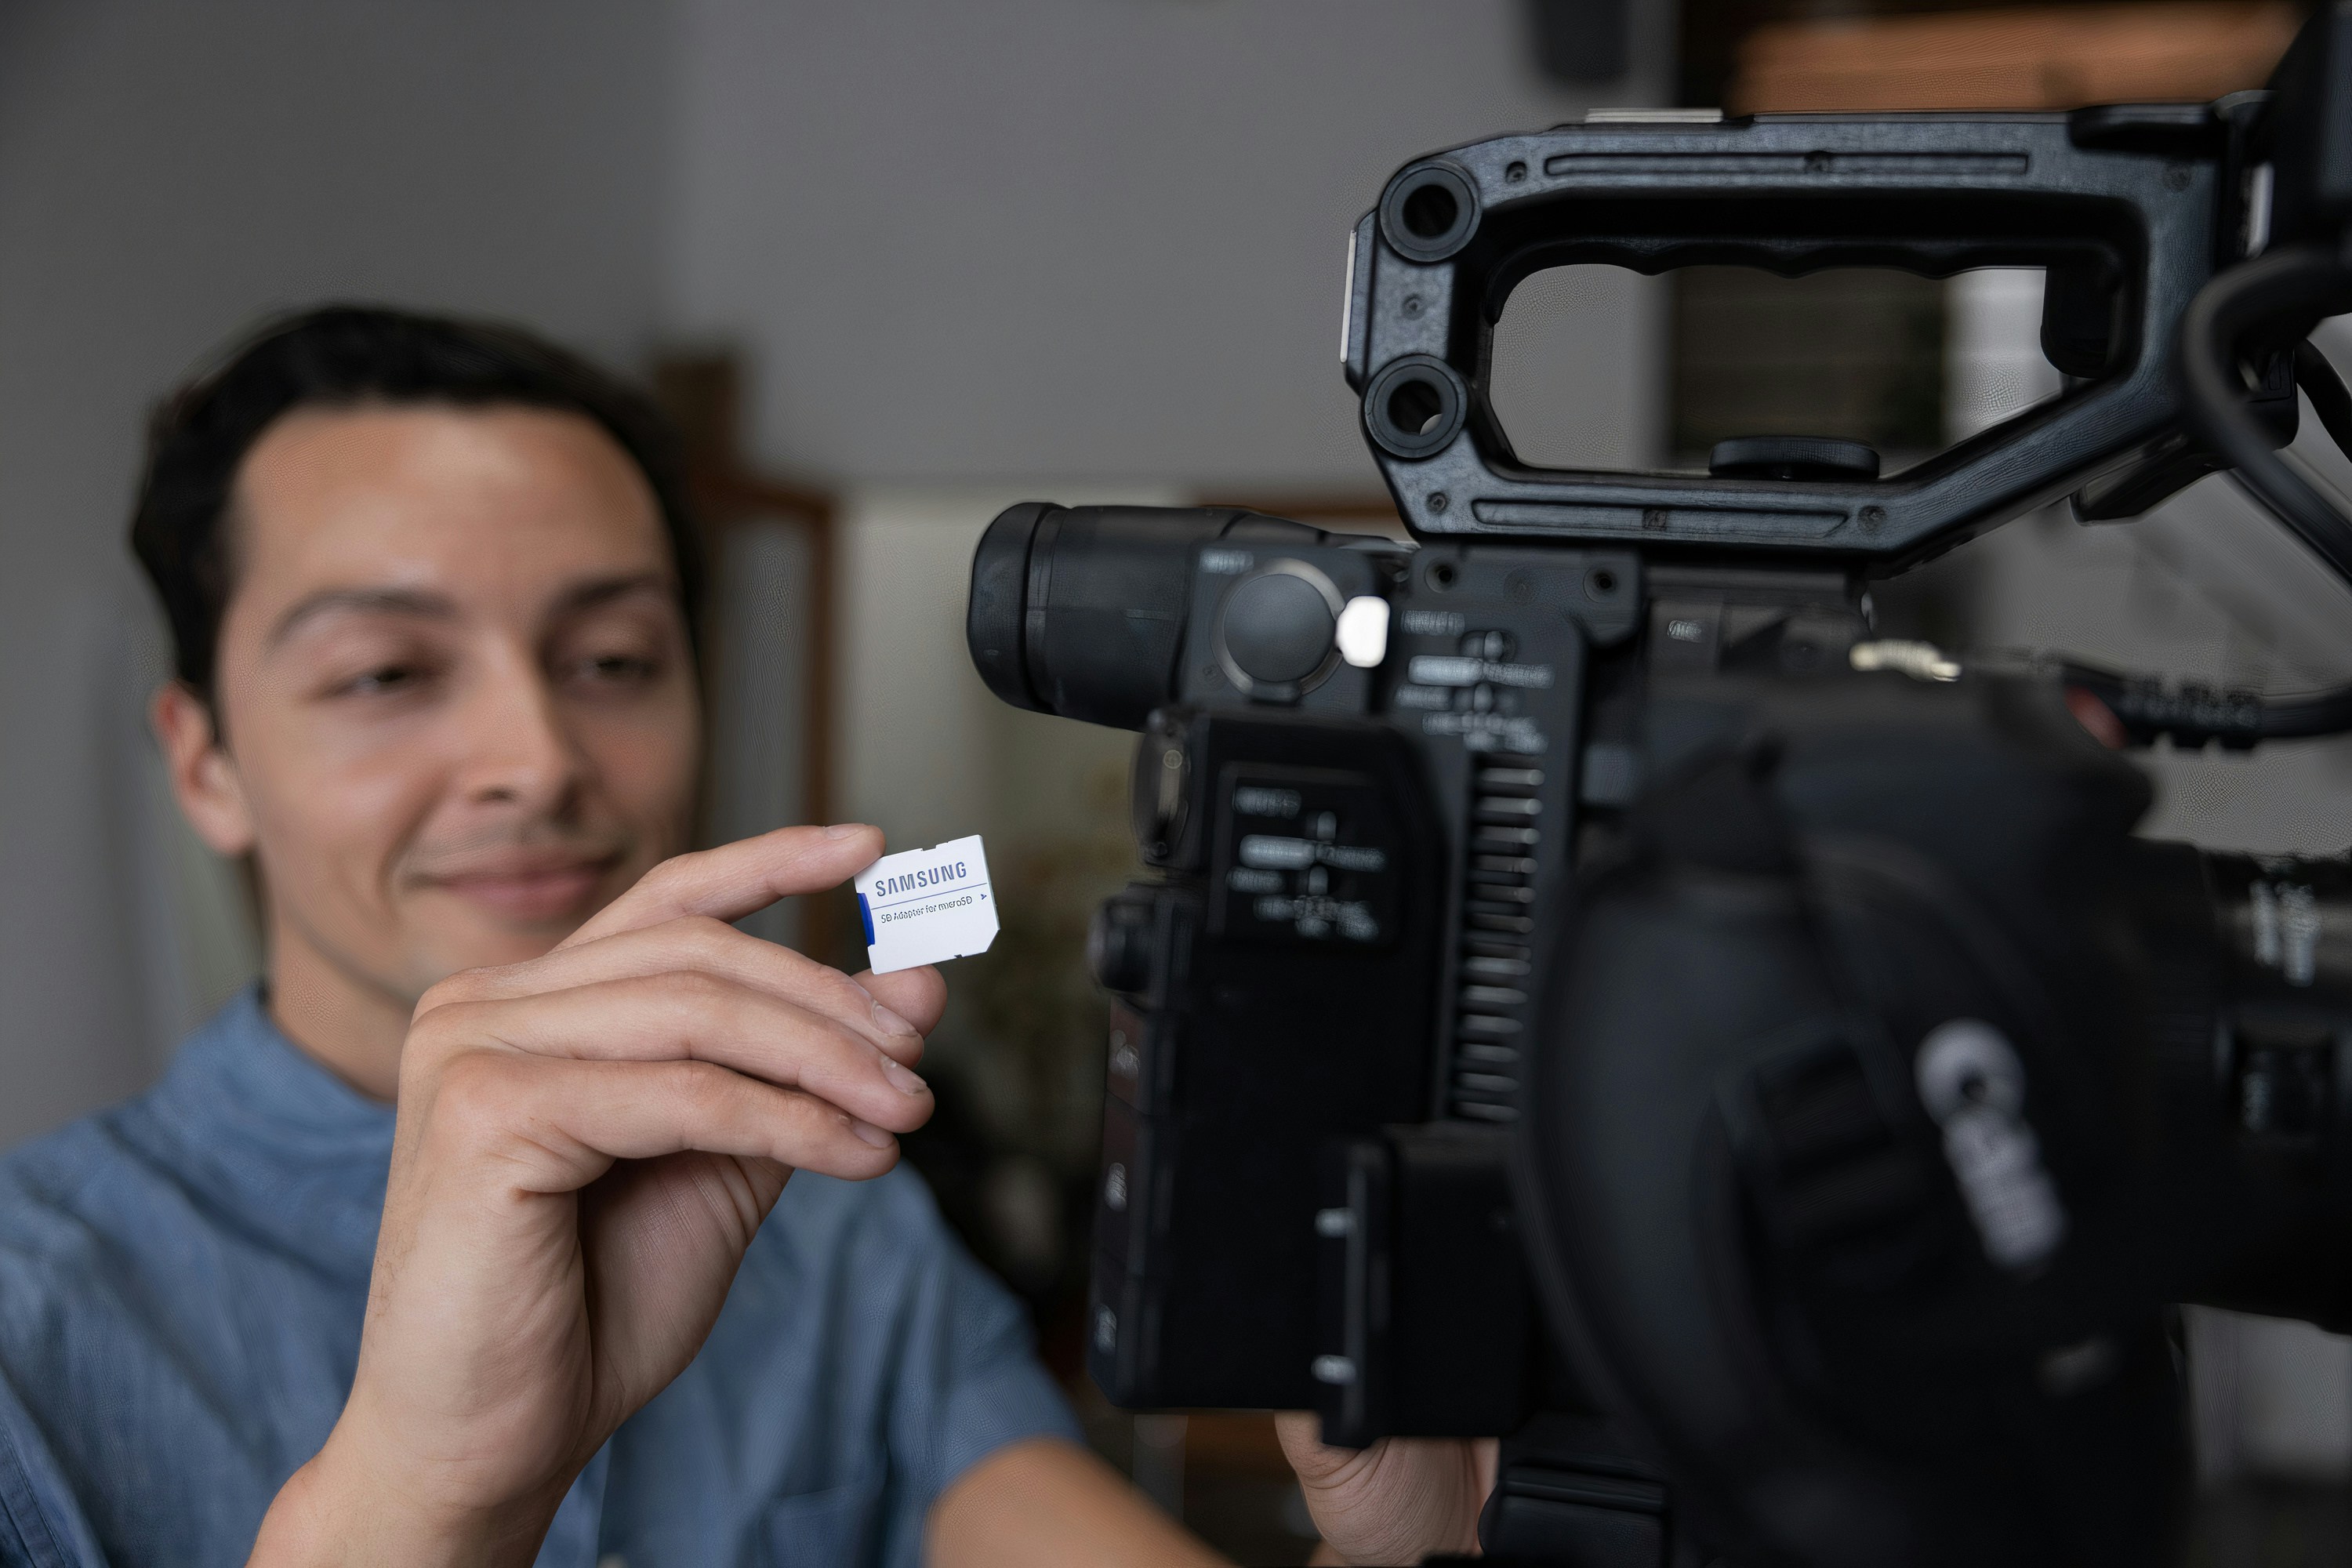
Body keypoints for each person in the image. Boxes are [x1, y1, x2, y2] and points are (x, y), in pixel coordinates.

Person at [0, 307, 1491, 1567]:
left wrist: (1410, 1544)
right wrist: (427, 1497)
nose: (537, 758)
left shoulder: (829, 1213)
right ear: (204, 762)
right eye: (387, 672)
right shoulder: (29, 1331)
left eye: (612, 659)